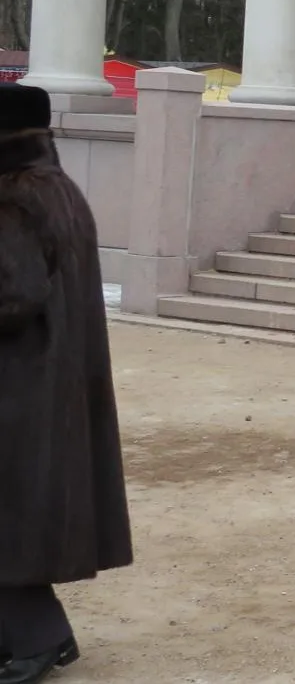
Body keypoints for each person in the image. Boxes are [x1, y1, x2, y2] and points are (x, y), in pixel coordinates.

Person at [0, 83, 132, 682]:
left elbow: (15, 295)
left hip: (20, 384)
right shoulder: (61, 189)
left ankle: (39, 638)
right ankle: (33, 636)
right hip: (53, 379)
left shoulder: (12, 197)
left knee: (11, 517)